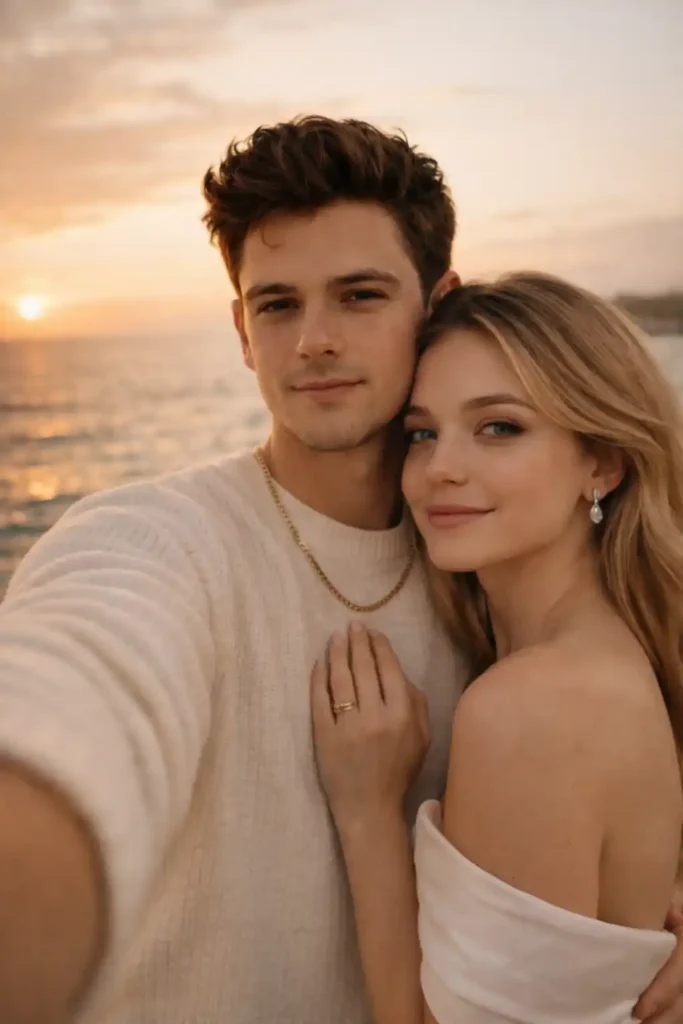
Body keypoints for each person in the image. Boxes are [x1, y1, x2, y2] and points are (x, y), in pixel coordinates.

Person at [0, 116, 679, 1024]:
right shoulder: (150, 543)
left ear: (434, 303)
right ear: (243, 331)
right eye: (277, 305)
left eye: (358, 295)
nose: (313, 339)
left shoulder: (480, 576)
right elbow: (77, 683)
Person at [311, 272, 683, 1024]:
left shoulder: (530, 708)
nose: (441, 466)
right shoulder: (607, 653)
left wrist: (367, 810)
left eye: (499, 427)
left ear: (601, 462)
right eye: (422, 432)